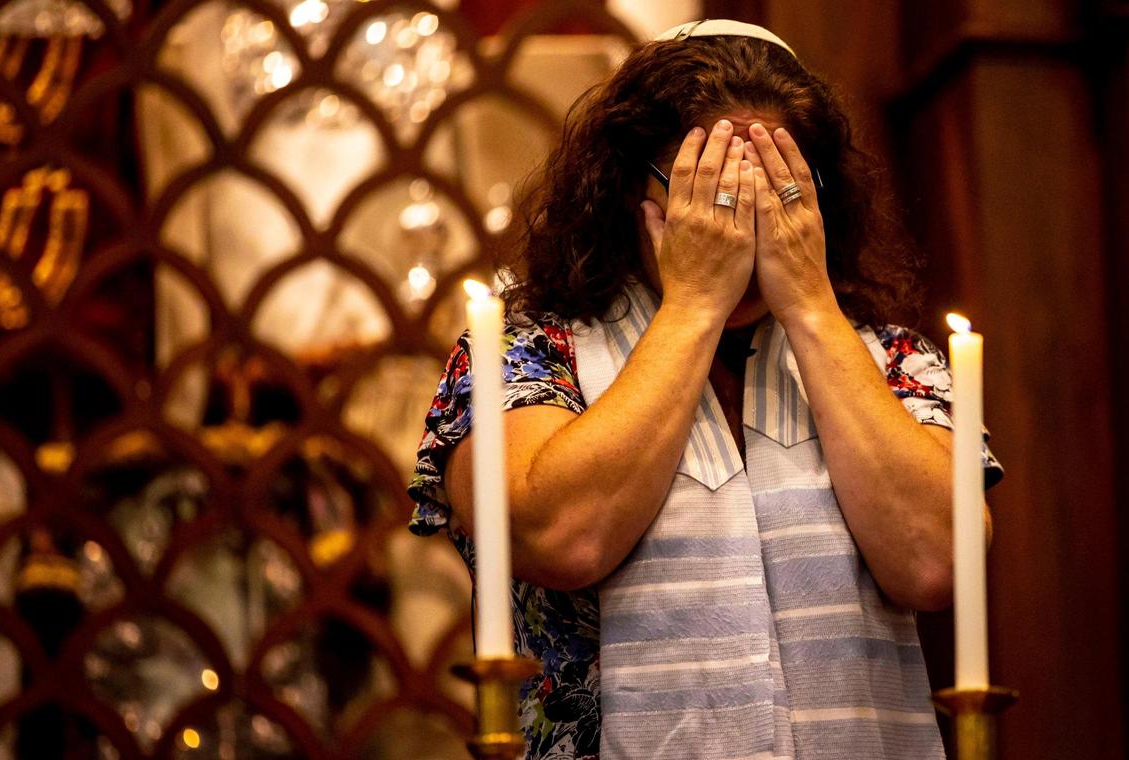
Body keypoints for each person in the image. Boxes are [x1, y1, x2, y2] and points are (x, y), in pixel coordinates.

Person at [408, 20, 1002, 760]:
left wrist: (813, 309)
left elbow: (935, 560)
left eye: (780, 198)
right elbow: (559, 536)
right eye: (712, 198)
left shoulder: (890, 358)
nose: (748, 234)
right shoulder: (526, 350)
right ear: (631, 193)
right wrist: (694, 305)